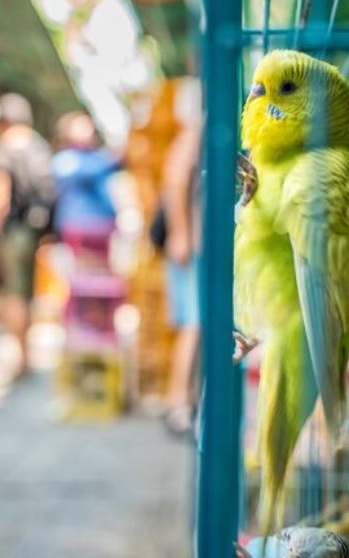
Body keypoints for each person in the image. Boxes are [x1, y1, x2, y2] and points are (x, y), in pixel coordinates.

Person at [0, 93, 56, 374]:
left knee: (13, 293)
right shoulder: (39, 146)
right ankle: (25, 355)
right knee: (26, 293)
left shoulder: (3, 149)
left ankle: (21, 357)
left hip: (12, 230)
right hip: (35, 230)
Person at [161, 77, 202, 436]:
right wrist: (181, 233)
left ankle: (183, 401)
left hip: (193, 246)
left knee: (195, 324)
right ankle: (178, 403)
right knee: (195, 324)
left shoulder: (188, 138)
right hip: (194, 248)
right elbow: (175, 183)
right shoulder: (192, 137)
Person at [50, 112, 119, 237]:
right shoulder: (65, 159)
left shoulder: (96, 157)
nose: (87, 130)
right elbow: (88, 170)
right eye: (81, 126)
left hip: (103, 226)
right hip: (79, 226)